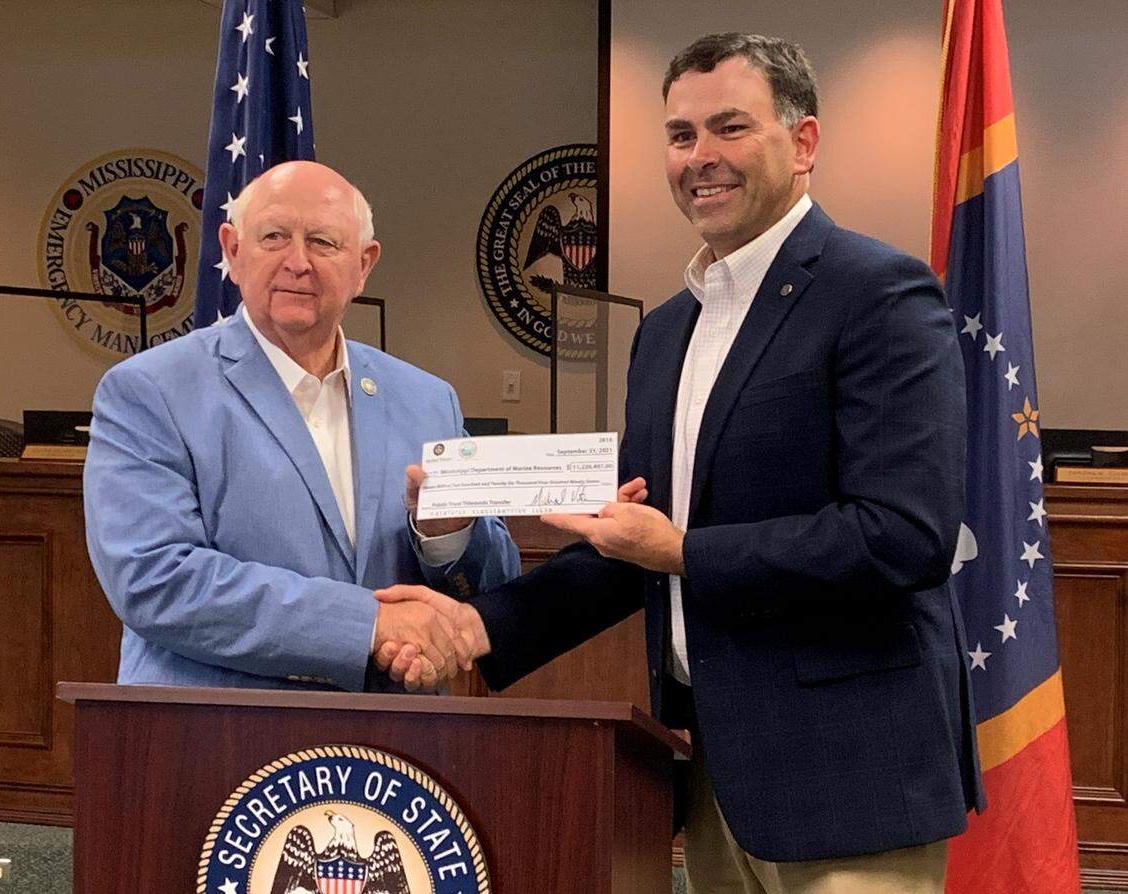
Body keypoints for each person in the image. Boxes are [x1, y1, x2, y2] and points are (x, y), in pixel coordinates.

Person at [375, 33, 983, 893]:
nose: (701, 159)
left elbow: (904, 536)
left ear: (803, 143)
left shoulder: (878, 294)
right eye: (681, 135)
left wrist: (682, 554)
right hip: (710, 779)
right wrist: (479, 627)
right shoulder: (666, 331)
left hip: (853, 777)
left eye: (730, 128)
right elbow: (632, 546)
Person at [84, 160, 519, 693]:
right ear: (232, 250)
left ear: (364, 266)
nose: (298, 262)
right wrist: (368, 624)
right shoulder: (148, 392)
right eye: (273, 237)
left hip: (395, 751)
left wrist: (446, 539)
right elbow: (154, 580)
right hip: (214, 742)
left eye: (323, 242)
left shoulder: (429, 401)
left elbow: (493, 587)